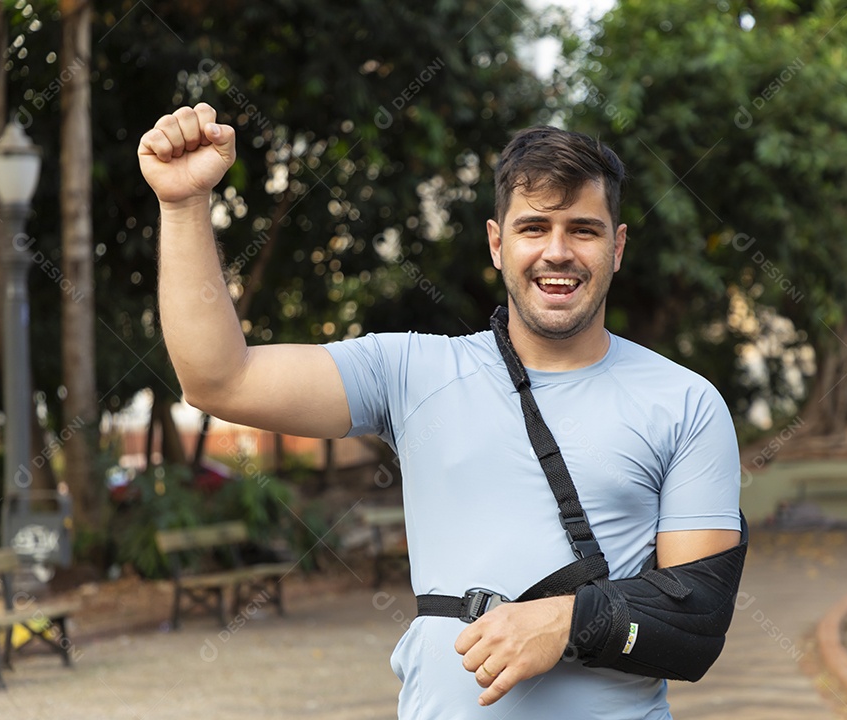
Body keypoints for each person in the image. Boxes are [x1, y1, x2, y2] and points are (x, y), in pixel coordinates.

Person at [139, 103, 742, 719]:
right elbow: (219, 380)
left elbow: (696, 616)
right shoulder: (410, 372)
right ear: (496, 243)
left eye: (583, 230)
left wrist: (566, 621)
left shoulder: (684, 403)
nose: (557, 252)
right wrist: (183, 205)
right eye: (534, 228)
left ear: (616, 247)